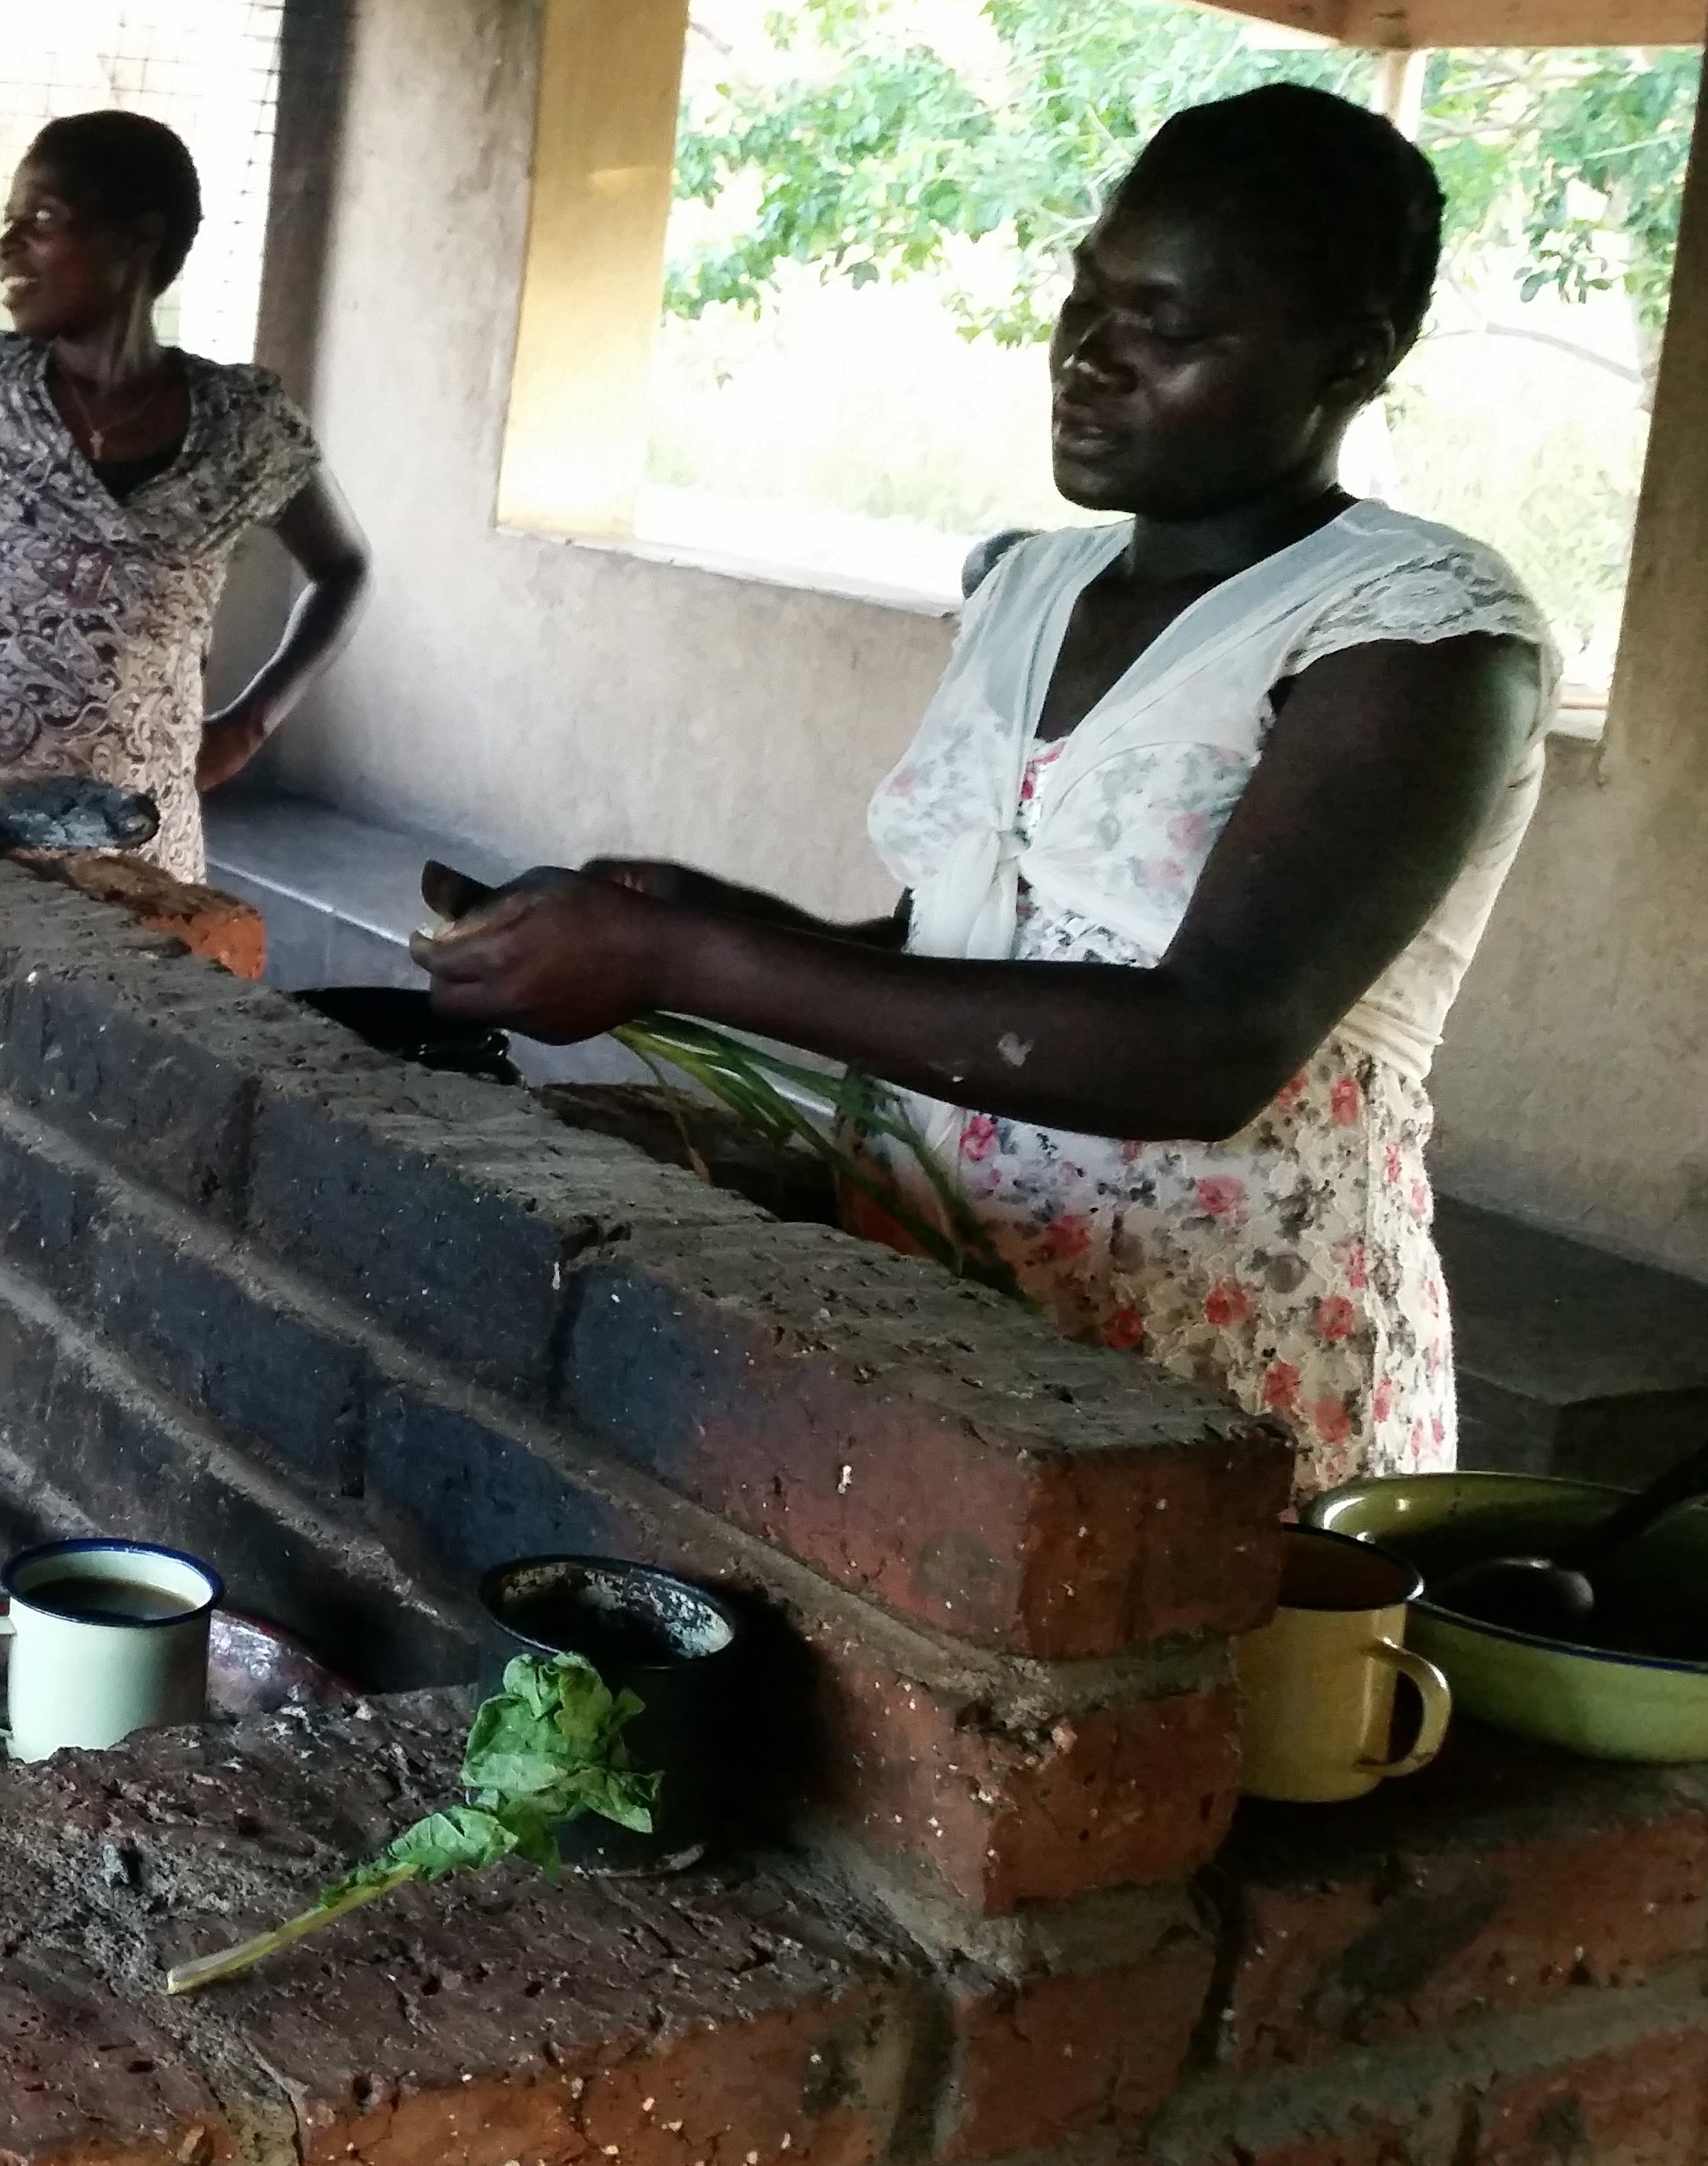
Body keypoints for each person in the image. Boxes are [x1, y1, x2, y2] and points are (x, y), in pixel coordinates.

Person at [413, 85, 1553, 1500]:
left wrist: (686, 955)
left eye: (1171, 329)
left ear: (1353, 359)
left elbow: (1213, 1041)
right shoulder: (1029, 585)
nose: (1089, 357)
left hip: (1206, 1346)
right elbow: (959, 969)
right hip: (934, 1282)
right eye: (1087, 298)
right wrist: (691, 926)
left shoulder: (1414, 632)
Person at [0, 110, 369, 881]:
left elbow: (343, 569)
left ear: (137, 238)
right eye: (9, 221)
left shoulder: (243, 425)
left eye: (42, 219)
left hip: (135, 849)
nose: (6, 247)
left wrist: (253, 722)